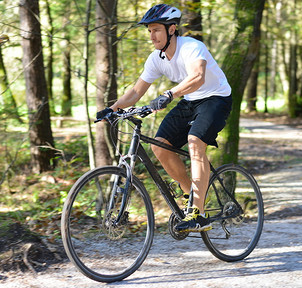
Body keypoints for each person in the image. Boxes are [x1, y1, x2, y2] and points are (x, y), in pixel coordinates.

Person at [96, 4, 232, 232]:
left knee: (195, 143)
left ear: (171, 30)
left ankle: (197, 213)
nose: (152, 36)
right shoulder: (156, 58)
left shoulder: (191, 47)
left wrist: (169, 94)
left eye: (156, 30)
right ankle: (194, 199)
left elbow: (197, 77)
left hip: (215, 97)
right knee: (160, 147)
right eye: (149, 31)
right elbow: (137, 91)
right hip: (189, 100)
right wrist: (114, 108)